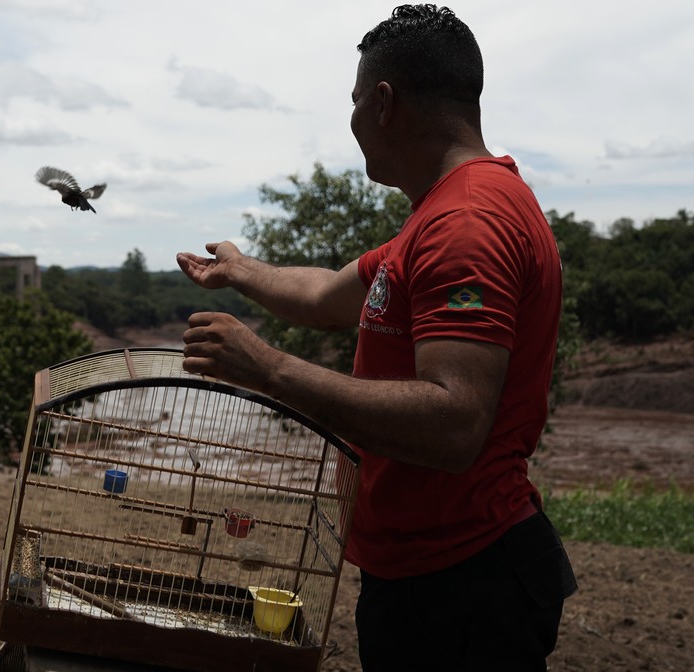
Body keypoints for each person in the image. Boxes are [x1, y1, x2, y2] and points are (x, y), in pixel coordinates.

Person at [176, 4, 577, 671]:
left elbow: (454, 422)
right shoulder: (442, 217)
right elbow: (325, 295)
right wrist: (241, 271)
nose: (354, 118)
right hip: (435, 573)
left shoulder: (467, 224)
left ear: (384, 102)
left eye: (356, 100)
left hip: (463, 586)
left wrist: (266, 367)